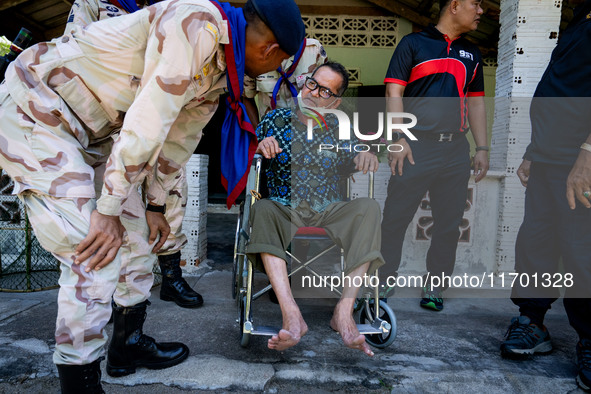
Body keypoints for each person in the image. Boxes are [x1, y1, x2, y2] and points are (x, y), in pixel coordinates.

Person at [0, 0, 305, 392]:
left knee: (137, 240)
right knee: (92, 254)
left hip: (94, 135)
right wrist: (107, 208)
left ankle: (126, 346)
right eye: (278, 66)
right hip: (37, 111)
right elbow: (149, 117)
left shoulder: (219, 72)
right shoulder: (197, 24)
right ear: (269, 51)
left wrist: (155, 205)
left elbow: (179, 141)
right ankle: (80, 381)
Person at [65, 0, 205, 309]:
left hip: (156, 124)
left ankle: (171, 276)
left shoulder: (166, 8)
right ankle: (115, 291)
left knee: (171, 197)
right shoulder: (92, 5)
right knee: (116, 206)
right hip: (112, 123)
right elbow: (78, 47)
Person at [246, 62, 383, 357]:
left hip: (328, 207)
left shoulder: (340, 127)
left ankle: (343, 313)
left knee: (368, 209)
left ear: (334, 101)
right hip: (283, 206)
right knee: (263, 209)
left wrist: (367, 154)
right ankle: (291, 314)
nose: (312, 92)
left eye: (324, 91)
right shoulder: (275, 119)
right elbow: (250, 149)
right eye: (311, 83)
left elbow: (358, 151)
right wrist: (261, 145)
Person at [499, 0, 591, 390]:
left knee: (580, 248)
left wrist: (588, 156)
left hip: (580, 161)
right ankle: (532, 322)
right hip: (549, 158)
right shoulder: (577, 22)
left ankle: (589, 338)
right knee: (536, 240)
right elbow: (552, 87)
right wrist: (533, 151)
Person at [380, 0, 489, 311]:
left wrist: (481, 147)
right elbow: (394, 93)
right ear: (454, 5)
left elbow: (477, 102)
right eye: (475, 4)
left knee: (449, 223)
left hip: (456, 149)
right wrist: (398, 138)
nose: (480, 11)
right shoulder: (413, 44)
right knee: (395, 219)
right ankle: (384, 279)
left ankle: (435, 285)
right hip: (415, 146)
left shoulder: (473, 54)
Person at [245, 38, 327, 119]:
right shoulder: (255, 53)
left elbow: (328, 89)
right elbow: (247, 96)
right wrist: (257, 130)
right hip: (271, 128)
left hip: (306, 126)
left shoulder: (313, 49)